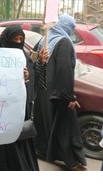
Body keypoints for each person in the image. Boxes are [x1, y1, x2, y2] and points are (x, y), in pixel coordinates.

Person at [0, 25, 44, 171]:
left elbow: (34, 81)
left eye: (21, 39)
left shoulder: (24, 56)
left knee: (18, 142)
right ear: (6, 40)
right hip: (2, 111)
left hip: (21, 109)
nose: (18, 42)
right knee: (4, 146)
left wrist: (36, 67)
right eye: (15, 39)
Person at [34, 14, 87, 171]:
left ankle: (43, 151)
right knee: (64, 127)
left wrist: (40, 61)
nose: (73, 29)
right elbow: (65, 71)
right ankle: (71, 162)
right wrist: (68, 96)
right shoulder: (64, 42)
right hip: (58, 92)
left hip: (43, 90)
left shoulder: (45, 39)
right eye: (72, 26)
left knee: (46, 123)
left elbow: (35, 61)